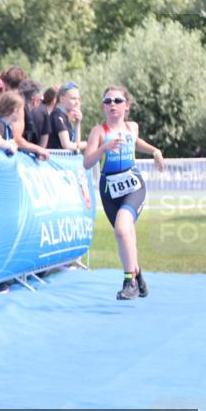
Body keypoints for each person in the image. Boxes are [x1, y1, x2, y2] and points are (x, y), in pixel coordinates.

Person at [83, 86, 165, 300]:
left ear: (126, 106)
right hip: (109, 191)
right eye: (107, 101)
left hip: (133, 187)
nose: (112, 104)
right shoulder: (98, 131)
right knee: (126, 235)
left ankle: (130, 282)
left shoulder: (132, 127)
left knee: (121, 230)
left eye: (117, 100)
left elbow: (136, 142)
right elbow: (87, 162)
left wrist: (155, 151)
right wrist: (104, 147)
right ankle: (138, 276)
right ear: (103, 106)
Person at [46, 81, 83, 151]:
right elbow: (66, 145)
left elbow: (76, 145)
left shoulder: (64, 116)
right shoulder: (57, 116)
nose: (77, 102)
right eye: (73, 98)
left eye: (78, 99)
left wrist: (78, 123)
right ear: (62, 99)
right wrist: (87, 144)